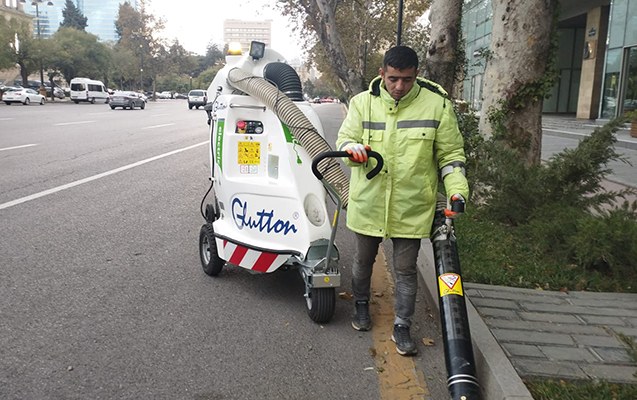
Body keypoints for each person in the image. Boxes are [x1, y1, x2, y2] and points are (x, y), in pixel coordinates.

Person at [336, 45, 469, 356]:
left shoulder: (436, 107)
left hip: (411, 206)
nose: (399, 87)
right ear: (382, 73)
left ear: (416, 75)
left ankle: (402, 325)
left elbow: (451, 156)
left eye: (407, 80)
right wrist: (352, 149)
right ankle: (361, 306)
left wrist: (457, 191)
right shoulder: (362, 104)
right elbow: (344, 140)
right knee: (362, 262)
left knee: (405, 270)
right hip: (369, 202)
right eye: (393, 79)